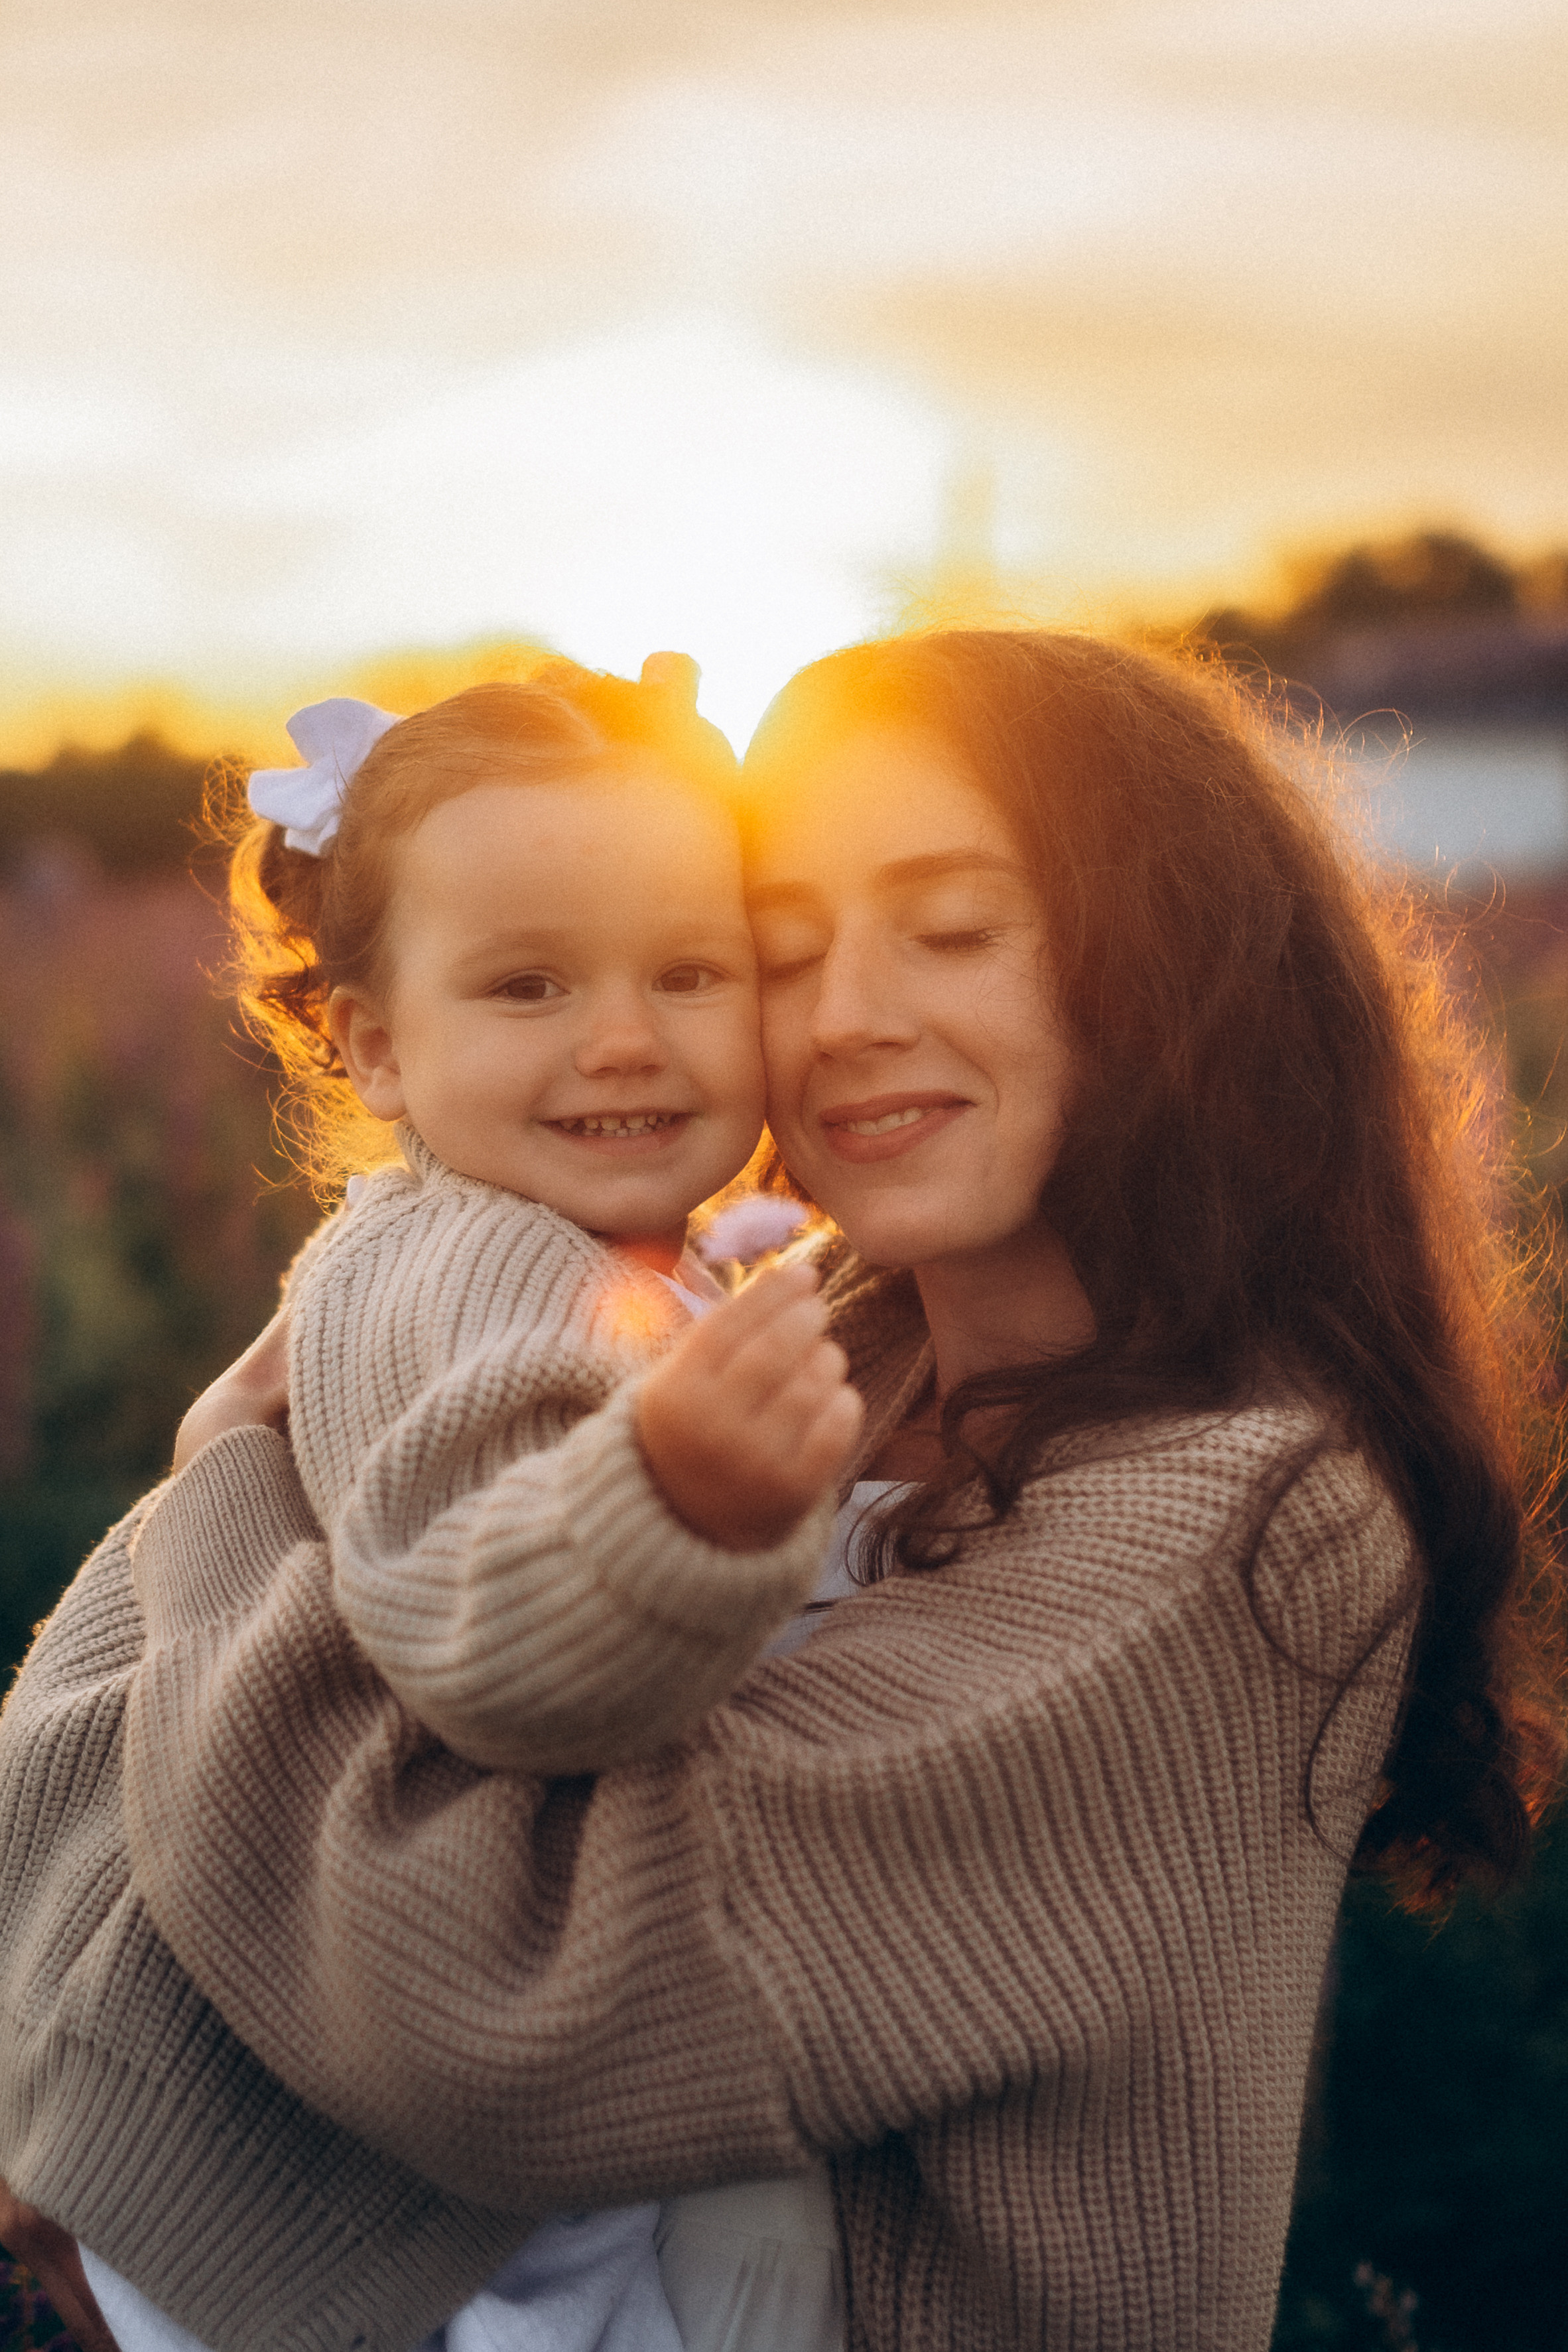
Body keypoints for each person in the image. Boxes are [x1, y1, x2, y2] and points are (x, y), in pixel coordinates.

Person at [3, 629, 1563, 2351]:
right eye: (782, 948)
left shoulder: (1240, 1515)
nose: (842, 1018)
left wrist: (222, 1492)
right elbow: (136, 1696)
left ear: (1166, 961)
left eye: (951, 928)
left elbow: (517, 2019)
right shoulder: (827, 1329)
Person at [0, 657, 863, 2352]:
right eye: (529, 983)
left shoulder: (608, 1259)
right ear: (376, 1048)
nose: (628, 1036)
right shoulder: (458, 1268)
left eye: (692, 969)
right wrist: (676, 1501)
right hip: (285, 2163)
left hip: (397, 2096)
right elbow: (484, 1634)